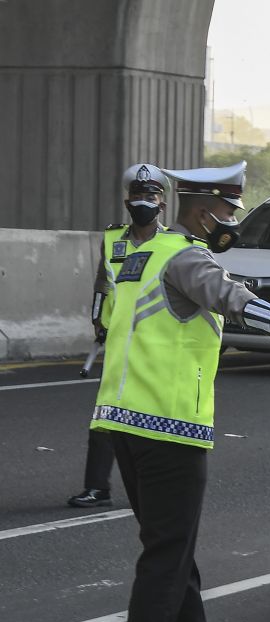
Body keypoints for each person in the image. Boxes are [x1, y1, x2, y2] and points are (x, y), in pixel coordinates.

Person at [93, 162, 270, 622]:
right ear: (202, 207)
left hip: (122, 419)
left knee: (172, 549)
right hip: (168, 427)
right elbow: (224, 293)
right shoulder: (187, 255)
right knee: (166, 556)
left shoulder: (143, 253)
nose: (230, 223)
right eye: (228, 212)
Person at [67, 164, 170, 509]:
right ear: (127, 202)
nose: (143, 202)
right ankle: (98, 487)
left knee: (153, 420)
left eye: (150, 196)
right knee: (106, 415)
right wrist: (98, 320)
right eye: (137, 196)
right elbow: (103, 284)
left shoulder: (175, 247)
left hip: (157, 348)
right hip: (119, 346)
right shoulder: (113, 239)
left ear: (162, 204)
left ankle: (157, 487)